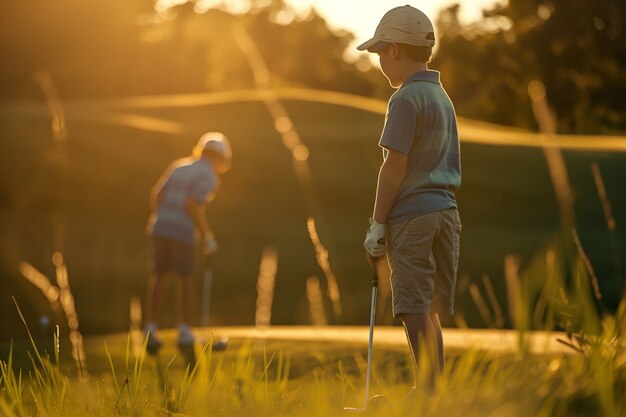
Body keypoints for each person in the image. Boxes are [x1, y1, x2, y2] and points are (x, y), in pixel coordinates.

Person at [358, 5, 462, 392]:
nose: (380, 61)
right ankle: (432, 390)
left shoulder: (404, 99)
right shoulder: (441, 97)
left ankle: (429, 394)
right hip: (446, 214)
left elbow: (394, 166)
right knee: (429, 310)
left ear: (395, 51)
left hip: (414, 217)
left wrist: (377, 224)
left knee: (413, 309)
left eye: (380, 53)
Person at [144, 132, 232, 350]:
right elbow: (192, 205)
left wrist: (161, 218)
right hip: (182, 231)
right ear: (220, 158)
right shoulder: (210, 176)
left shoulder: (179, 166)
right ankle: (184, 331)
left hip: (161, 226)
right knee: (186, 278)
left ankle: (151, 328)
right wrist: (206, 235)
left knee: (159, 275)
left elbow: (157, 194)